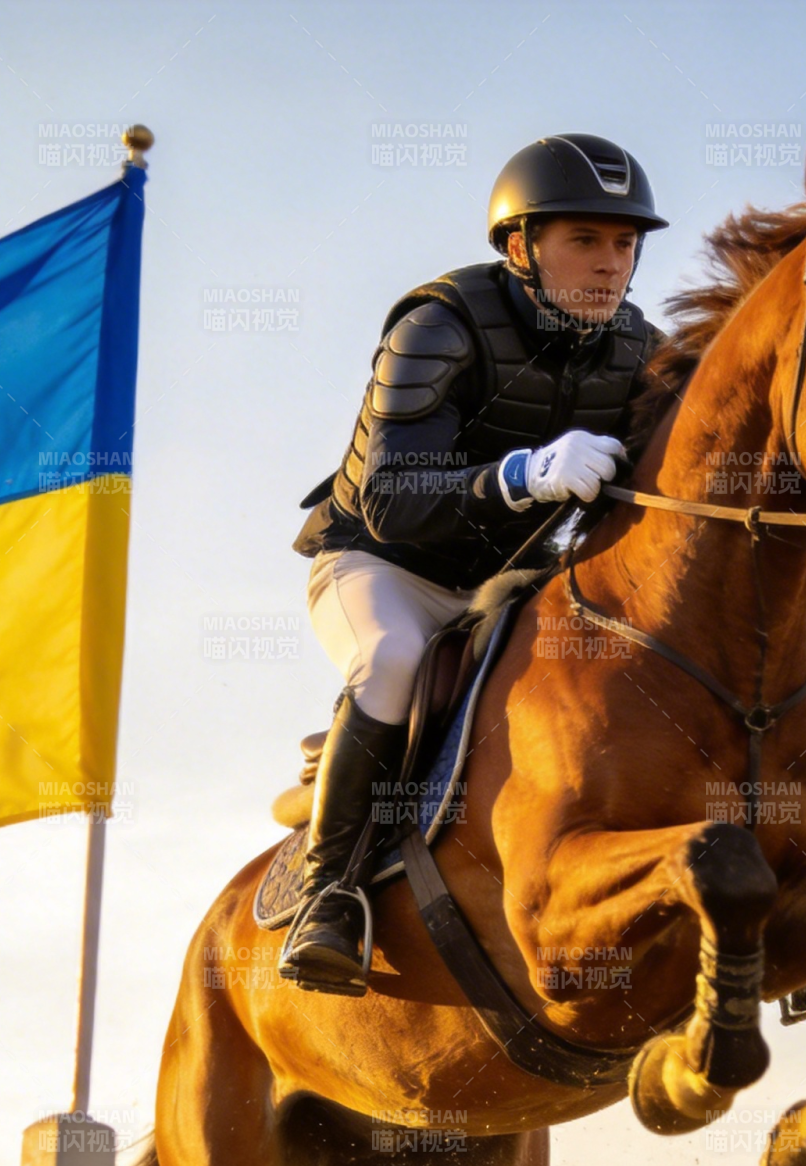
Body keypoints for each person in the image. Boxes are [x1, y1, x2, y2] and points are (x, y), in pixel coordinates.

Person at [282, 133, 669, 994]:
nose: (610, 265)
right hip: (384, 565)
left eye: (624, 243)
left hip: (512, 580)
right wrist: (525, 474)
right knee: (391, 660)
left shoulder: (642, 349)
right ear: (521, 246)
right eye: (585, 240)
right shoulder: (437, 323)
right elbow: (394, 498)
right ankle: (330, 894)